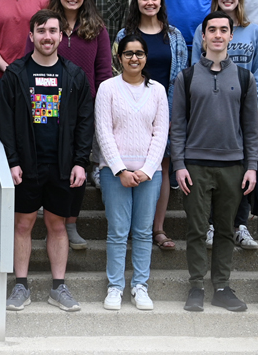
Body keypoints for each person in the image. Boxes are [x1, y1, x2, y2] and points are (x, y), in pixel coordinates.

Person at [0, 10, 93, 312]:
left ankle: (58, 287)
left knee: (57, 225)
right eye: (41, 31)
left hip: (63, 165)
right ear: (31, 35)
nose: (47, 36)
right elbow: (6, 124)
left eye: (53, 30)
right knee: (23, 224)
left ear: (62, 35)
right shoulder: (16, 74)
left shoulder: (74, 75)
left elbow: (84, 122)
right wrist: (12, 161)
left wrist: (81, 161)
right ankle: (21, 287)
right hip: (27, 165)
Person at [171, 11, 258, 313]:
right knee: (196, 229)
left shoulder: (245, 78)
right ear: (203, 36)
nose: (218, 35)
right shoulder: (187, 76)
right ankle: (196, 286)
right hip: (195, 165)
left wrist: (252, 167)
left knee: (225, 229)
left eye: (224, 30)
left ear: (231, 36)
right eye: (212, 30)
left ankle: (221, 286)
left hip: (233, 166)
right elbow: (178, 125)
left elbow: (251, 127)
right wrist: (179, 164)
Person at [36, 0, 113, 251]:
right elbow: (30, 58)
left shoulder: (97, 28)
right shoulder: (45, 24)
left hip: (83, 106)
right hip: (46, 102)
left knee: (77, 164)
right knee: (48, 163)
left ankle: (70, 224)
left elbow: (104, 72)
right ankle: (51, 224)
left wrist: (100, 105)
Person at [93, 33, 169, 311]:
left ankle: (140, 285)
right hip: (115, 173)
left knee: (143, 232)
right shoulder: (108, 88)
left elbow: (161, 133)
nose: (134, 58)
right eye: (128, 53)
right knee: (117, 231)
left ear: (146, 57)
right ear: (119, 57)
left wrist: (148, 170)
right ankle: (115, 287)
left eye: (139, 53)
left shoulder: (157, 90)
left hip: (150, 174)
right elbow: (103, 131)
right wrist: (121, 169)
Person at [191, 0, 258, 251]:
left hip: (243, 106)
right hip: (211, 108)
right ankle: (212, 224)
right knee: (215, 168)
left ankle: (240, 225)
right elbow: (194, 69)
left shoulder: (253, 31)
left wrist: (251, 101)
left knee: (245, 163)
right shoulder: (204, 28)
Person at [113, 0, 188, 251]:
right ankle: (132, 228)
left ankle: (156, 228)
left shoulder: (175, 36)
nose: (150, 2)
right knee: (129, 165)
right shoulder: (125, 34)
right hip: (129, 111)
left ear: (161, 2)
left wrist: (170, 112)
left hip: (164, 110)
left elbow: (180, 76)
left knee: (162, 166)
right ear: (137, 2)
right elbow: (115, 71)